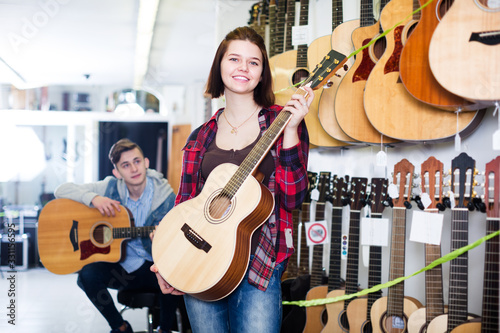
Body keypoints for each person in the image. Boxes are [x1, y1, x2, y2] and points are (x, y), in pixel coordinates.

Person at [151, 26, 313, 332]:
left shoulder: (283, 122)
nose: (243, 68)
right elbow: (184, 205)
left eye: (253, 62)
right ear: (219, 66)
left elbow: (293, 199)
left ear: (263, 73)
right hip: (198, 259)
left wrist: (291, 131)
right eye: (234, 59)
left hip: (260, 263)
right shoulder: (202, 135)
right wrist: (166, 263)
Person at [54, 138, 179, 333]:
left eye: (137, 162)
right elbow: (61, 190)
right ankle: (120, 327)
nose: (134, 169)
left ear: (146, 163)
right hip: (120, 267)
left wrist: (164, 238)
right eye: (125, 165)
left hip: (151, 266)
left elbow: (178, 237)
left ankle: (165, 329)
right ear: (117, 172)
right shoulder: (109, 187)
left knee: (175, 270)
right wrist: (93, 198)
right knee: (86, 275)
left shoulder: (166, 196)